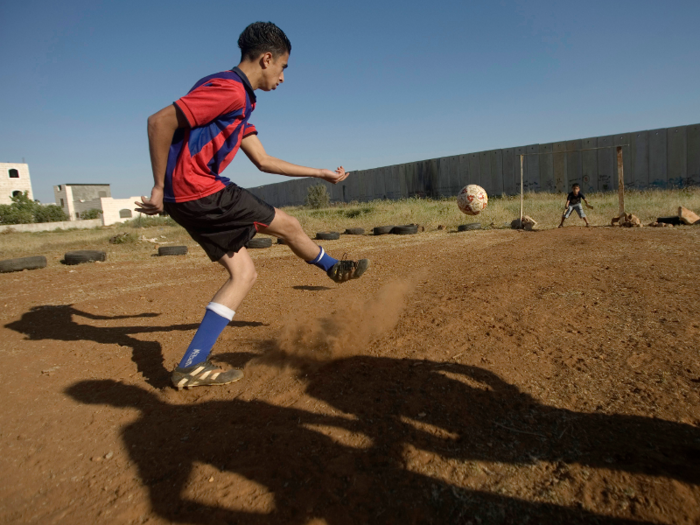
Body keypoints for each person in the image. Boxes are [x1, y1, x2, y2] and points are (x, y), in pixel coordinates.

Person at [135, 22, 369, 390]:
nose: (283, 77)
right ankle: (334, 268)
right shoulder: (228, 90)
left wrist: (320, 173)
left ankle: (191, 365)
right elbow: (158, 121)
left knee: (243, 273)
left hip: (188, 198)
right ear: (266, 59)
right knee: (289, 225)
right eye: (284, 67)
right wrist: (159, 185)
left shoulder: (240, 101)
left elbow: (263, 160)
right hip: (201, 191)